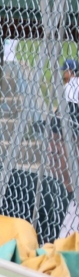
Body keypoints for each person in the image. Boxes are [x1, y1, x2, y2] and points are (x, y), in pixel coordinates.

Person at [57, 59, 79, 238]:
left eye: (65, 71)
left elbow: (67, 110)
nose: (63, 73)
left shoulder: (71, 86)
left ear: (71, 71)